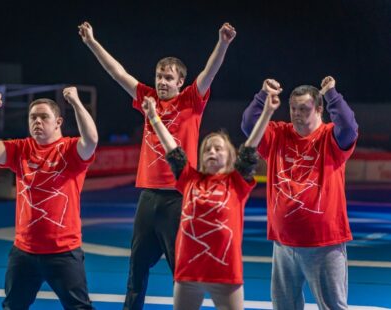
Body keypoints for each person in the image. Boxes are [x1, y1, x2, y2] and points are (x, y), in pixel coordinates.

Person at [78, 21, 236, 309]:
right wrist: (91, 42)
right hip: (148, 198)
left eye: (168, 77)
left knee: (181, 270)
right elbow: (117, 72)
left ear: (180, 82)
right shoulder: (147, 99)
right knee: (136, 268)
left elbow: (209, 71)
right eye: (159, 76)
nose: (162, 82)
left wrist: (223, 43)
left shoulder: (191, 100)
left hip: (179, 197)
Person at [142, 93, 279, 309]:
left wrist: (268, 113)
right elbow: (172, 150)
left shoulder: (236, 182)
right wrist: (153, 117)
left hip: (224, 272)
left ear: (231, 156)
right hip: (188, 271)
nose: (211, 152)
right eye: (207, 149)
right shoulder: (189, 178)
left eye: (218, 148)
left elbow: (250, 150)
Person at [241, 76, 359, 309]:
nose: (296, 114)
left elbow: (349, 127)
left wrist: (332, 95)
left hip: (324, 243)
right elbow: (248, 125)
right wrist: (262, 95)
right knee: (284, 306)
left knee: (333, 306)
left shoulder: (331, 137)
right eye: (293, 108)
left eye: (304, 109)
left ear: (319, 109)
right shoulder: (277, 134)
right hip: (283, 244)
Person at [0, 87, 98, 309]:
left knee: (79, 307)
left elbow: (91, 139)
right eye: (33, 117)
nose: (37, 122)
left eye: (44, 117)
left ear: (58, 122)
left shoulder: (71, 149)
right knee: (13, 306)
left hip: (63, 250)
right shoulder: (21, 149)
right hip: (24, 251)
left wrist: (76, 103)